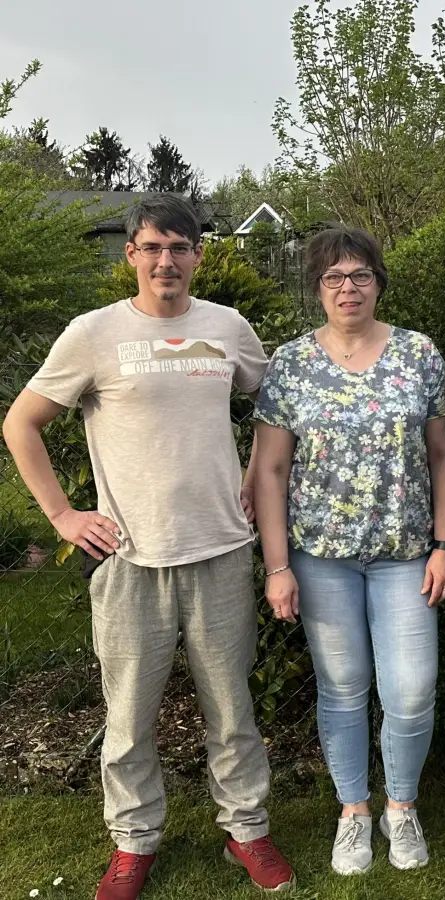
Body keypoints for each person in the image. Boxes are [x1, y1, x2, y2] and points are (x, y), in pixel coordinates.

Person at [2, 195, 295, 899]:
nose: (168, 260)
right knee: (129, 717)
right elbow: (22, 424)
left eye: (181, 247)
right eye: (153, 247)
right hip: (130, 556)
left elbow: (278, 404)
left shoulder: (227, 327)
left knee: (232, 709)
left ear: (198, 255)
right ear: (131, 254)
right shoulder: (93, 333)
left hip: (222, 549)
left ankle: (246, 831)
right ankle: (133, 843)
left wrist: (258, 476)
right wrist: (64, 515)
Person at [252, 225, 445, 875]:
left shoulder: (419, 355)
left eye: (360, 275)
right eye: (334, 278)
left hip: (405, 555)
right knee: (342, 689)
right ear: (317, 288)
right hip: (320, 558)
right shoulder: (290, 364)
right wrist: (278, 565)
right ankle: (354, 814)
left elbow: (443, 459)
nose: (348, 288)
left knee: (412, 689)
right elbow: (270, 472)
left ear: (378, 282)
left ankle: (402, 807)